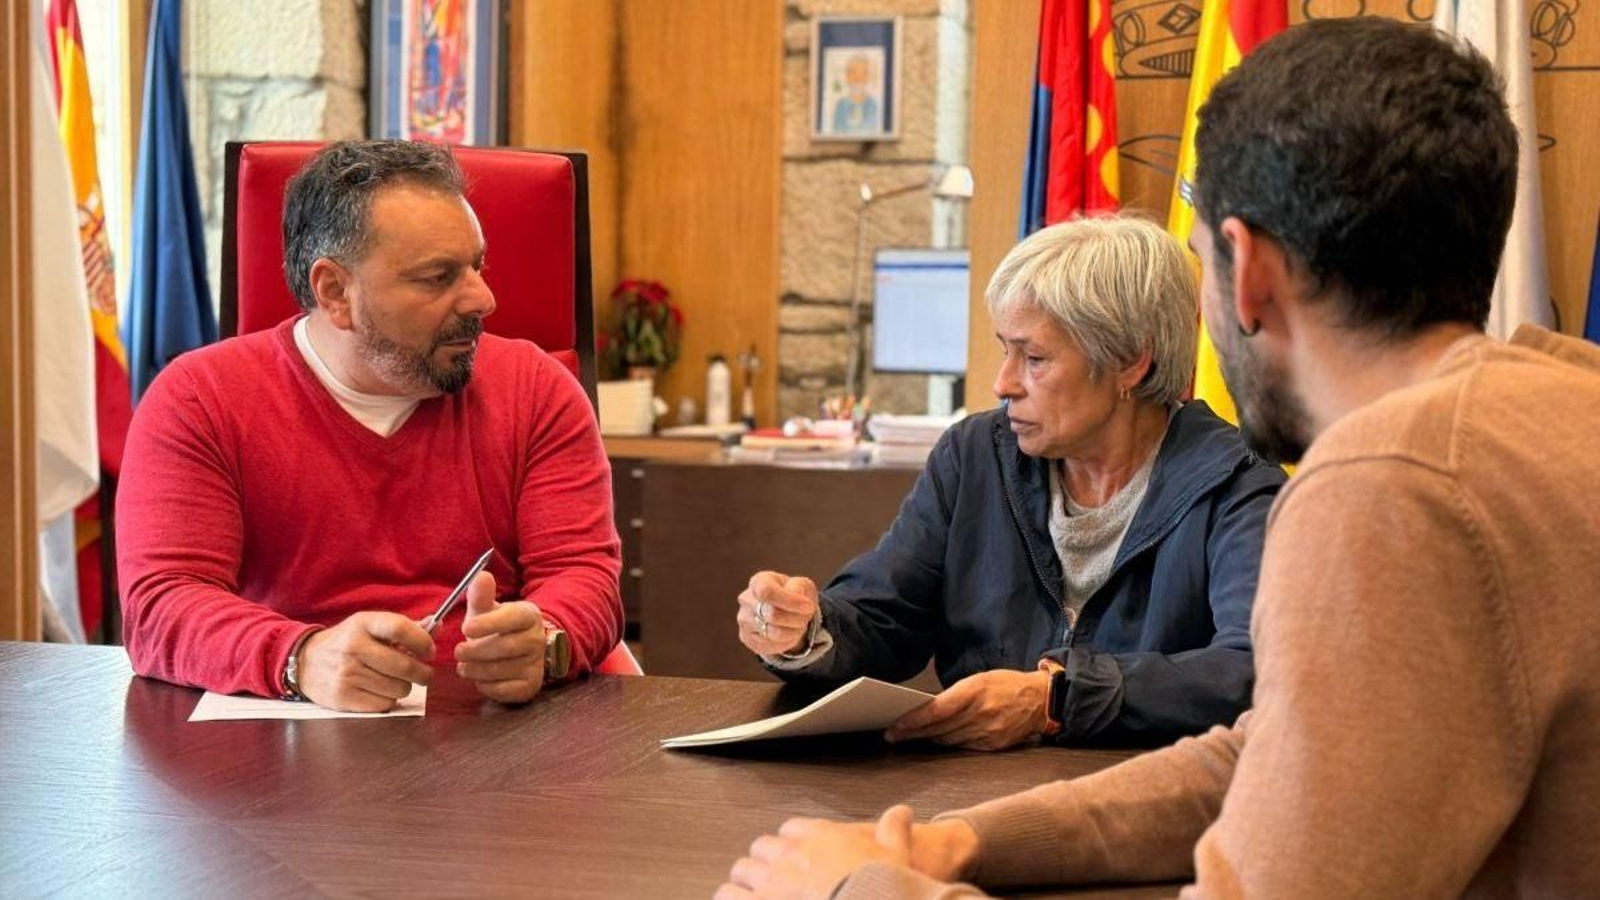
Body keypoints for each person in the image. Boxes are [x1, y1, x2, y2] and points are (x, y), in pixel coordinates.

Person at [719, 17, 1600, 899]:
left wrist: (862, 890)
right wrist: (961, 846)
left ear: (1244, 265)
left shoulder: (1386, 487)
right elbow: (1266, 757)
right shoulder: (1565, 410)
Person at [738, 215, 1285, 750]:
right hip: (971, 802)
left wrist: (1056, 699)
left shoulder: (1236, 484)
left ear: (1129, 362)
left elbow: (1250, 669)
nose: (1002, 383)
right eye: (1006, 349)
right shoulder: (974, 454)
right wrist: (806, 627)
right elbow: (887, 616)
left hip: (1144, 811)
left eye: (1035, 358)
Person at [118, 140, 622, 712]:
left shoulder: (537, 387)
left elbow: (586, 577)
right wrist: (301, 657)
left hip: (496, 745)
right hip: (281, 748)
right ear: (335, 291)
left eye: (476, 265)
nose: (484, 298)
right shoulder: (198, 399)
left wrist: (547, 642)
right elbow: (161, 608)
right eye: (438, 277)